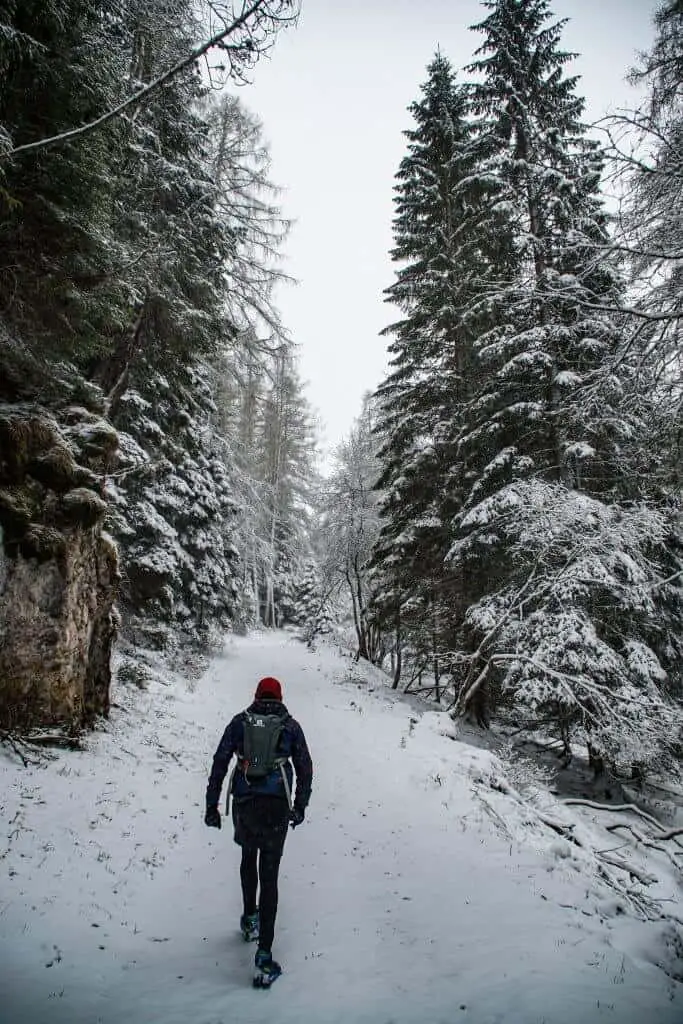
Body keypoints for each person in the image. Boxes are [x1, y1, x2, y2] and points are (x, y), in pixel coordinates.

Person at [205, 675, 313, 982]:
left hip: (245, 804)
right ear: (279, 697)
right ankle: (264, 954)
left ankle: (249, 917)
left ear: (256, 695)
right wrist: (300, 805)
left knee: (247, 858)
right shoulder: (290, 727)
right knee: (270, 873)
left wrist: (211, 805)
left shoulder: (240, 722)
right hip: (277, 806)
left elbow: (220, 761)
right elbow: (306, 768)